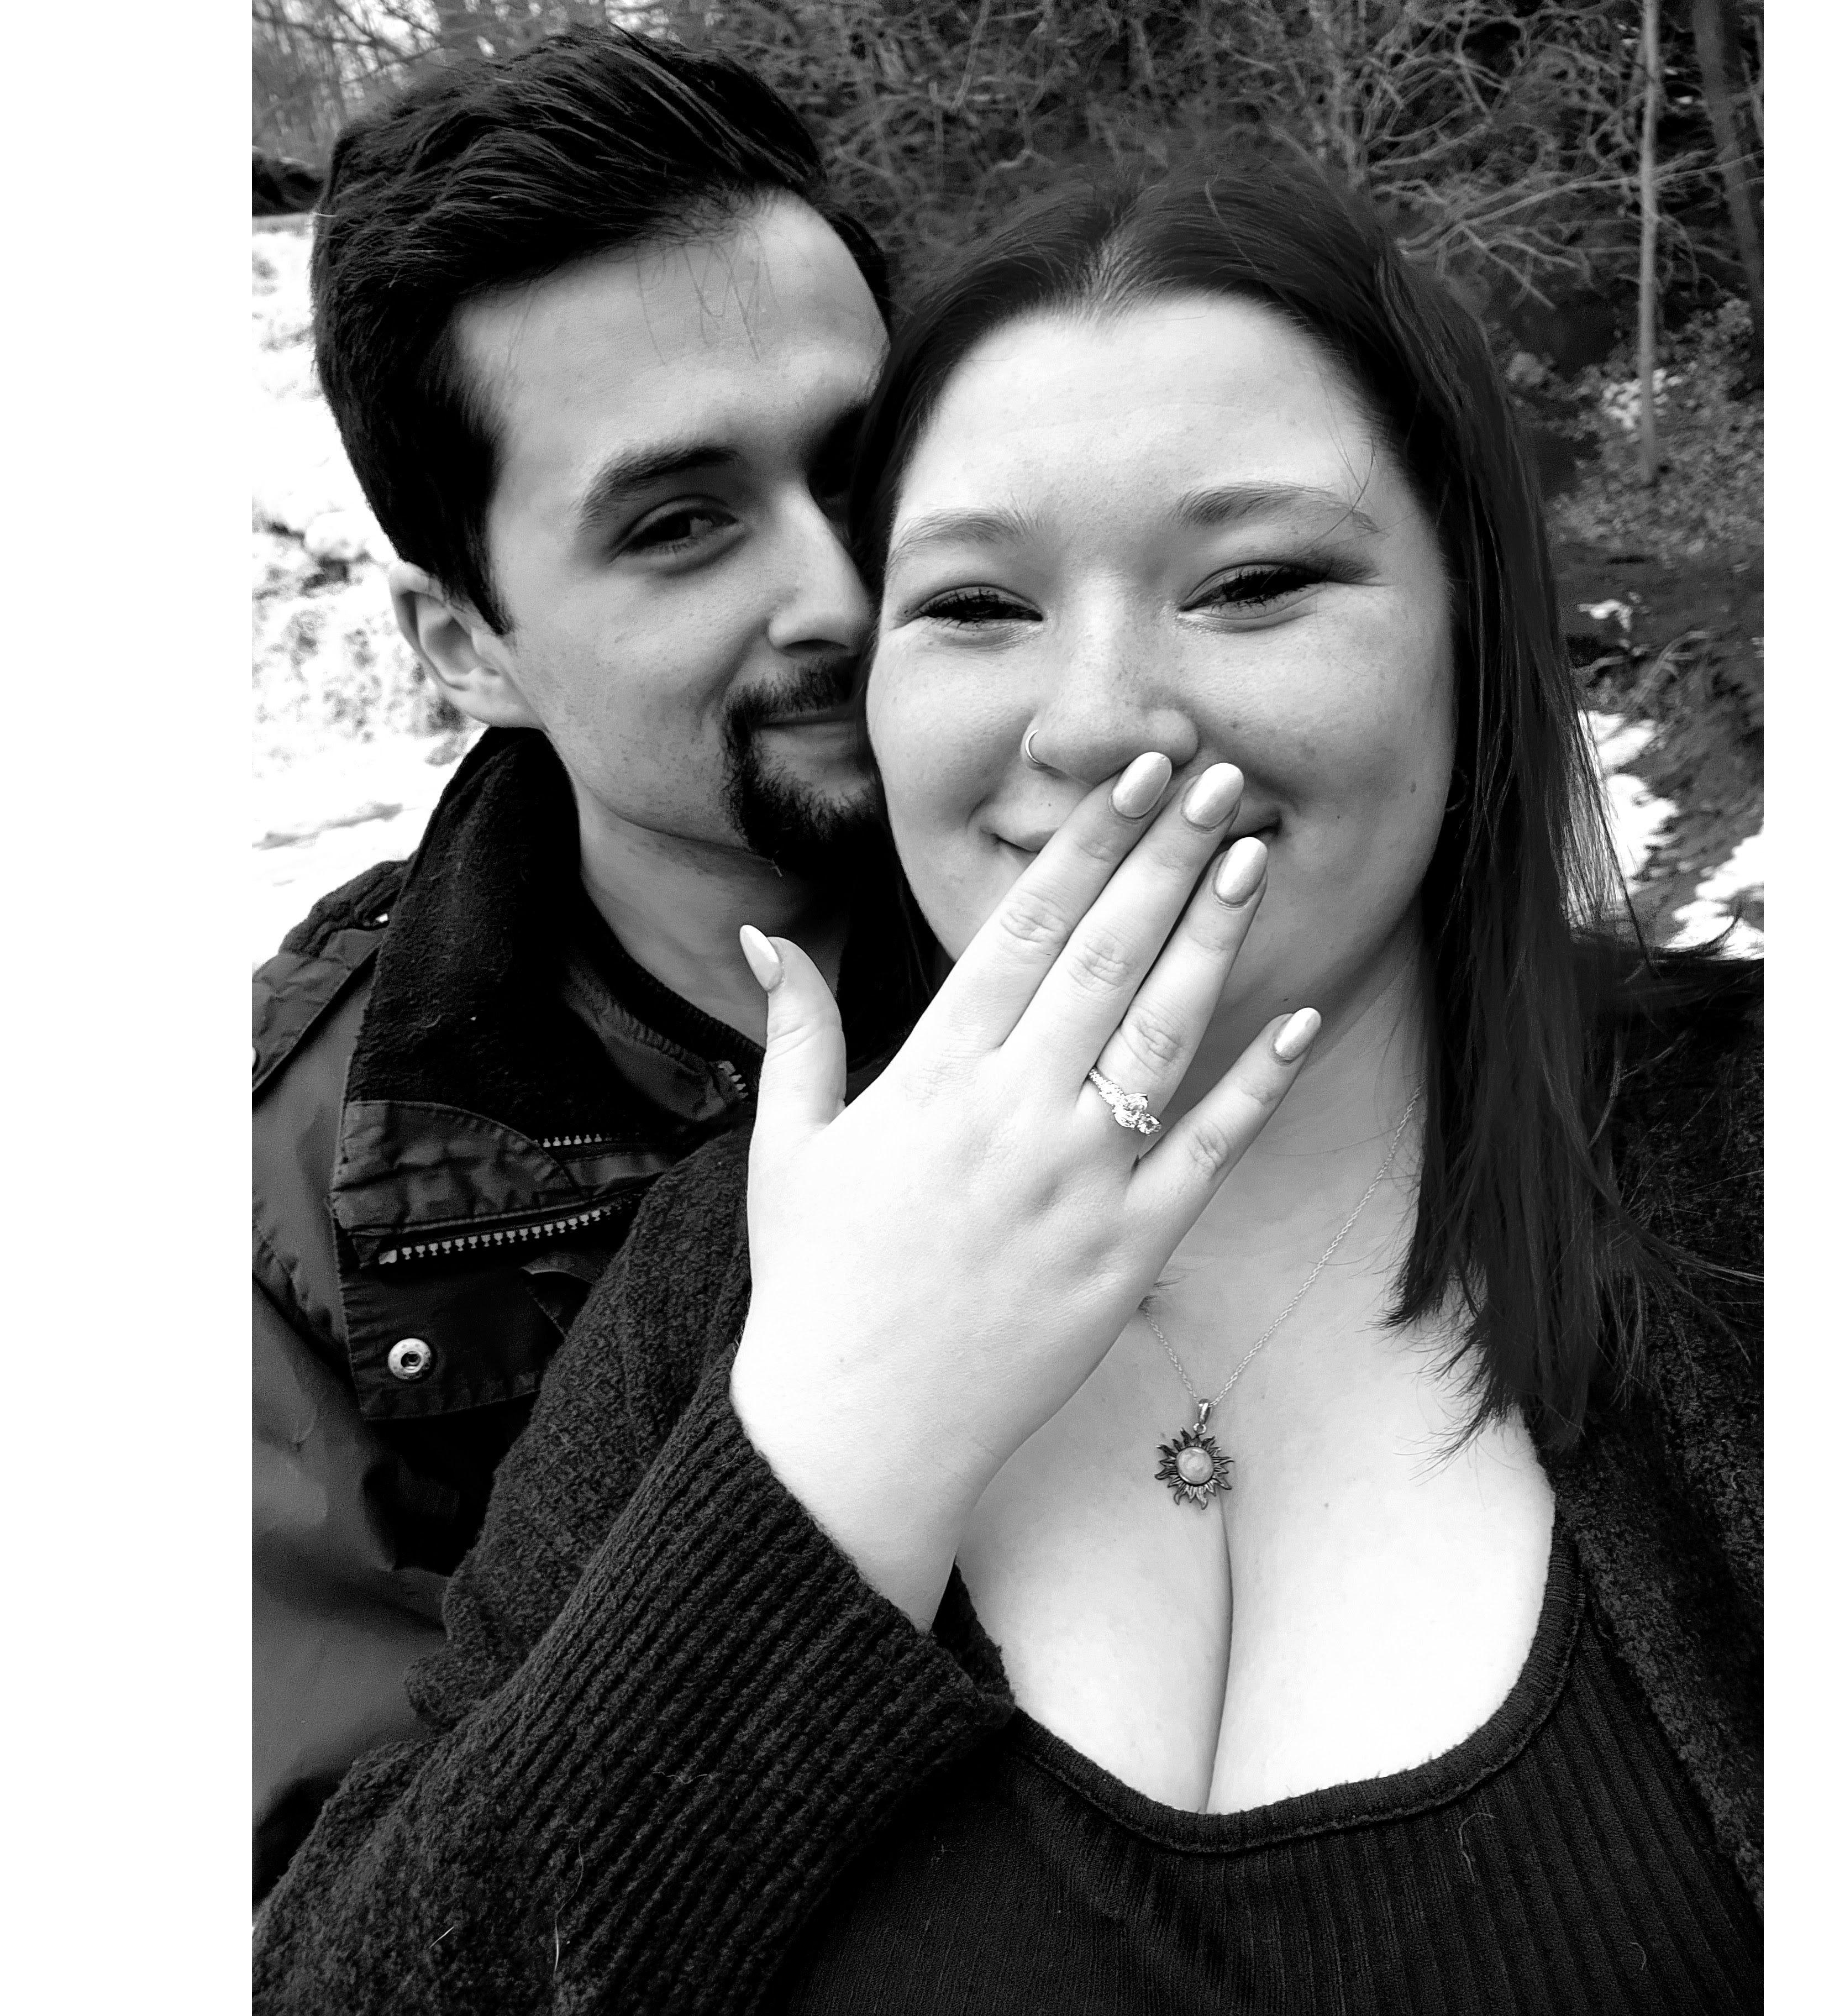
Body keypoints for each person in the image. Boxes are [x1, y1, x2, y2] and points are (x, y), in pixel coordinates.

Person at [254, 162, 1761, 2012]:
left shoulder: (1778, 1177)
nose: (1099, 719)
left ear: (1476, 629)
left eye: (1259, 580)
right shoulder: (708, 1282)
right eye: (973, 603)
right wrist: (824, 1457)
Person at [251, 28, 921, 1901]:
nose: (846, 596)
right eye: (680, 521)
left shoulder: (1198, 916)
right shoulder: (289, 1212)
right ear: (464, 644)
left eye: (864, 466)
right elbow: (317, 1928)